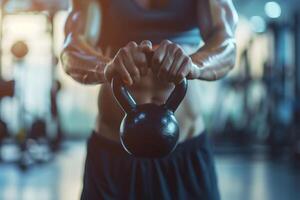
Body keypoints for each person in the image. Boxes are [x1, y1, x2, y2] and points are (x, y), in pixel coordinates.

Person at [61, 0, 238, 199]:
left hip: (185, 151)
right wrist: (107, 67)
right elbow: (72, 48)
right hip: (113, 154)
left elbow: (228, 45)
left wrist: (193, 65)